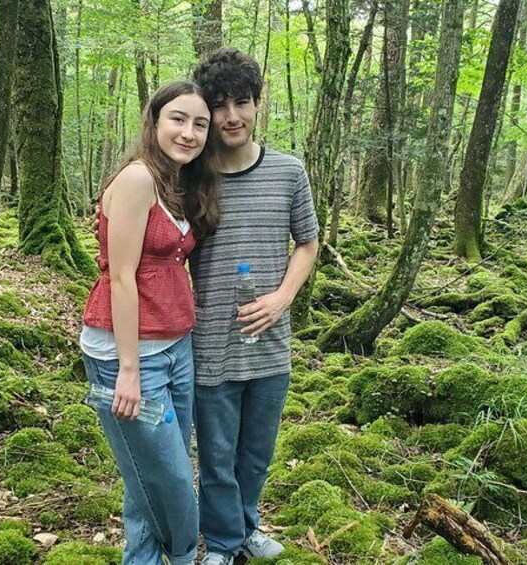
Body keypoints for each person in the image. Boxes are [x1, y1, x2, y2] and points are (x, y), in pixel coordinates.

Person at [81, 80, 219, 565]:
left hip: (177, 346)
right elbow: (121, 277)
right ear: (155, 121)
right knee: (173, 479)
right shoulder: (138, 179)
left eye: (199, 124)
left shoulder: (177, 184)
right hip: (128, 354)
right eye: (178, 119)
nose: (188, 132)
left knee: (150, 473)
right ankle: (183, 556)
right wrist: (129, 369)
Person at [190, 48, 319, 565]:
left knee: (257, 454)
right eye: (219, 105)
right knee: (217, 457)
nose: (231, 116)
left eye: (241, 102)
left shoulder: (289, 172)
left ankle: (245, 527)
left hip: (270, 345)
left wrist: (282, 297)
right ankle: (223, 544)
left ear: (257, 104)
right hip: (209, 344)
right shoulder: (190, 177)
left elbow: (308, 243)